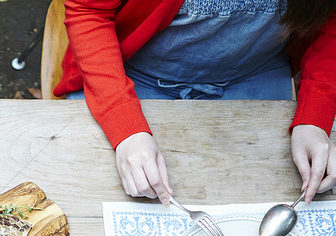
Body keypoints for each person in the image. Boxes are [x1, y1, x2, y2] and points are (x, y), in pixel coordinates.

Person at [54, 0, 336, 206]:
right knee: (88, 198)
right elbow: (89, 10)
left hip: (253, 73)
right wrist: (125, 126)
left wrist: (315, 119)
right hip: (128, 72)